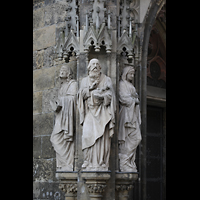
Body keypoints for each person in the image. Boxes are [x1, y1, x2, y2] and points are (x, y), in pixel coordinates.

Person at [77, 58, 116, 171]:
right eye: (92, 64)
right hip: (90, 112)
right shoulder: (84, 81)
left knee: (102, 138)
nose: (95, 66)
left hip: (103, 112)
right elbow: (80, 95)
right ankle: (88, 161)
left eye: (97, 64)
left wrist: (102, 96)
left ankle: (101, 162)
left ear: (100, 68)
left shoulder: (106, 79)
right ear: (89, 67)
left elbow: (111, 95)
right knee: (87, 135)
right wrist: (91, 88)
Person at [50, 64, 77, 171]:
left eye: (64, 70)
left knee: (58, 139)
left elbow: (73, 99)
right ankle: (63, 163)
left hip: (68, 118)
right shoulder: (62, 87)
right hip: (61, 116)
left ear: (69, 73)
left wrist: (61, 101)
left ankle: (68, 164)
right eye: (61, 69)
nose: (61, 71)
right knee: (55, 138)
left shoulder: (73, 84)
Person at [118, 65, 142, 172]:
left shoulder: (131, 86)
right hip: (126, 114)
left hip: (133, 114)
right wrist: (134, 100)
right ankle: (124, 161)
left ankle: (128, 161)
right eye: (130, 73)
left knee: (137, 138)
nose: (132, 76)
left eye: (133, 74)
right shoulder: (122, 84)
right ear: (125, 74)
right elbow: (123, 97)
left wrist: (134, 99)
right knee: (128, 137)